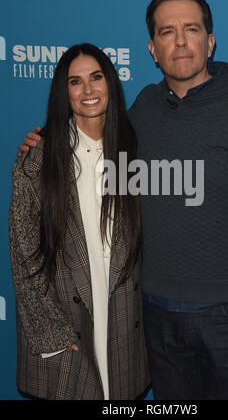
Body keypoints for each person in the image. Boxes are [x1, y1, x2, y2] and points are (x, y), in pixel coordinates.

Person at [19, 0, 228, 400]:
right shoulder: (140, 114)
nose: (181, 41)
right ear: (152, 48)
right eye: (168, 32)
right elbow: (92, 142)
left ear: (210, 40)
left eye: (191, 29)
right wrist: (42, 142)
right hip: (154, 317)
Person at [10, 43, 149, 400]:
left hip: (123, 319)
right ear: (64, 92)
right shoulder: (37, 161)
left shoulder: (136, 152)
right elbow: (24, 256)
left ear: (110, 84)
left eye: (96, 77)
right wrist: (53, 335)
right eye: (75, 81)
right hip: (66, 328)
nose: (88, 90)